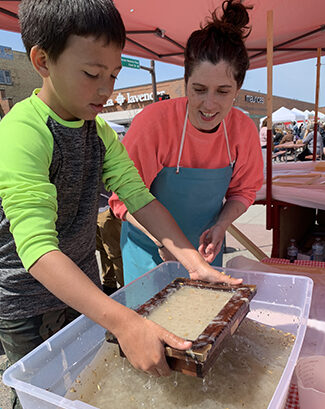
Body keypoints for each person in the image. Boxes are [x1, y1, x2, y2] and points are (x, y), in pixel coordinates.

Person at [0, 1, 243, 407]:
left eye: (112, 75)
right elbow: (38, 250)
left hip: (83, 288)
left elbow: (141, 199)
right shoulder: (22, 132)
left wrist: (195, 264)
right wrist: (126, 322)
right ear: (43, 61)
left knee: (85, 385)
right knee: (41, 397)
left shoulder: (96, 131)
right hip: (26, 303)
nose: (106, 89)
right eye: (92, 74)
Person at [109, 0, 263, 284]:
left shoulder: (243, 130)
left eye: (223, 91)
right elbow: (123, 201)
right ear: (185, 81)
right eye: (199, 89)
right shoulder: (154, 123)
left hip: (205, 252)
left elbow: (244, 191)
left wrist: (220, 225)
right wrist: (164, 241)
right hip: (148, 252)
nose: (209, 104)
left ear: (237, 90)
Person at [96, 184, 124, 295]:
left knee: (115, 252)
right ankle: (108, 285)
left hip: (107, 208)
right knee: (102, 249)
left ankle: (125, 287)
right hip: (92, 208)